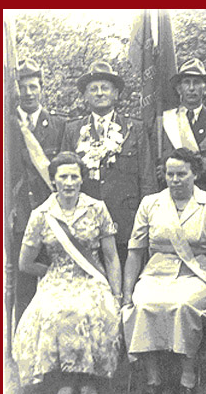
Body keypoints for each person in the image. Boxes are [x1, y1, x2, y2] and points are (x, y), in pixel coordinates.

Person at [122, 148, 206, 394]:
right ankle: (153, 379)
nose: (175, 179)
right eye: (170, 174)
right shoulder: (151, 203)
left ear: (195, 174)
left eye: (181, 174)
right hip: (156, 273)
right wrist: (127, 293)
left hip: (197, 273)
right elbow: (135, 251)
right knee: (143, 304)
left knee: (182, 306)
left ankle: (188, 378)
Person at [12, 152, 122, 394]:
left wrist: (116, 294)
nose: (69, 182)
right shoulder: (41, 214)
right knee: (56, 310)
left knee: (88, 310)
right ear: (53, 181)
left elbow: (111, 257)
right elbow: (25, 263)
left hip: (92, 278)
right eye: (64, 177)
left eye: (75, 176)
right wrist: (51, 274)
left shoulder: (97, 209)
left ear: (82, 179)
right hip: (57, 278)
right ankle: (65, 380)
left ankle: (87, 380)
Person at [61, 61, 158, 268]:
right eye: (93, 89)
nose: (99, 93)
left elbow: (147, 178)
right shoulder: (72, 130)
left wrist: (146, 221)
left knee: (126, 278)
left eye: (105, 88)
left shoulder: (135, 129)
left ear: (116, 94)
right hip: (85, 221)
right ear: (85, 96)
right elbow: (64, 175)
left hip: (126, 220)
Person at [8, 58, 66, 325]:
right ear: (13, 91)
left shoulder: (59, 126)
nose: (28, 93)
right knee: (21, 284)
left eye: (33, 87)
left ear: (42, 89)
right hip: (16, 214)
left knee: (56, 278)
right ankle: (19, 345)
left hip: (53, 215)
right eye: (22, 87)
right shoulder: (4, 126)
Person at [158, 58, 206, 202]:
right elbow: (159, 164)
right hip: (171, 199)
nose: (191, 88)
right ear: (179, 88)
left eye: (197, 83)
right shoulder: (165, 121)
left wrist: (178, 168)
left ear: (205, 88)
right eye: (187, 82)